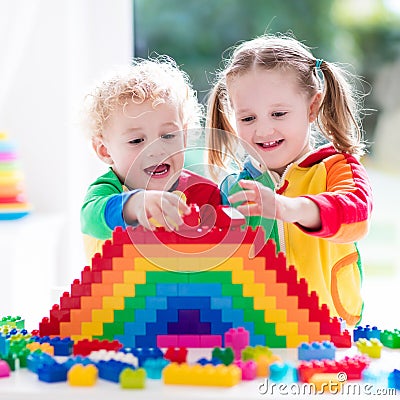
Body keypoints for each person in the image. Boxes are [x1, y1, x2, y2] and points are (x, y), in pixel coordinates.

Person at [206, 34, 373, 326]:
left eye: (279, 113)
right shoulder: (233, 188)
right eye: (248, 119)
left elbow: (354, 216)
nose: (264, 130)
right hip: (258, 335)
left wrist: (287, 208)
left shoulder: (337, 167)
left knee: (337, 377)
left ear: (312, 107)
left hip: (329, 332)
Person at [81, 56, 221, 260]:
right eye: (137, 140)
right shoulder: (108, 190)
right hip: (122, 290)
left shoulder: (205, 193)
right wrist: (135, 204)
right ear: (105, 150)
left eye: (168, 136)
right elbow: (90, 218)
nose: (156, 151)